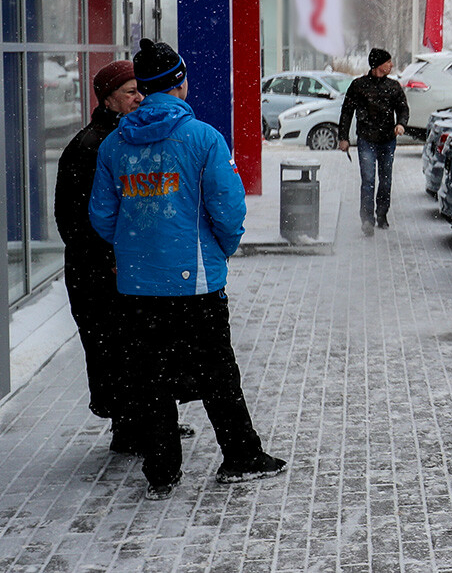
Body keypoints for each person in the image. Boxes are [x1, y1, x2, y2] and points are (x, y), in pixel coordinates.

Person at [90, 39, 286, 500]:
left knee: (150, 378)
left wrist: (135, 248)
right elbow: (229, 209)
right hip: (193, 282)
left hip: (137, 286)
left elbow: (101, 215)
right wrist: (222, 249)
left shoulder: (115, 144)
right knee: (218, 372)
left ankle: (161, 470)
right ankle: (240, 456)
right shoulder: (203, 138)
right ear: (178, 83)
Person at [55, 61, 197, 455]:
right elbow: (75, 219)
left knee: (140, 348)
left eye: (141, 90)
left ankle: (151, 420)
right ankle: (131, 428)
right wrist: (108, 258)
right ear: (108, 99)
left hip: (125, 266)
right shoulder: (92, 146)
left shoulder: (127, 136)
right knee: (116, 350)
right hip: (98, 273)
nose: (139, 98)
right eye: (130, 92)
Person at [338, 47, 410, 235]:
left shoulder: (393, 87)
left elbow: (403, 108)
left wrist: (401, 124)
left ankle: (382, 214)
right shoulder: (359, 86)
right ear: (378, 65)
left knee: (385, 180)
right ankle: (367, 220)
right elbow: (347, 112)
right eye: (388, 62)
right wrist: (343, 137)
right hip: (366, 140)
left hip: (387, 140)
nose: (391, 65)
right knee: (368, 180)